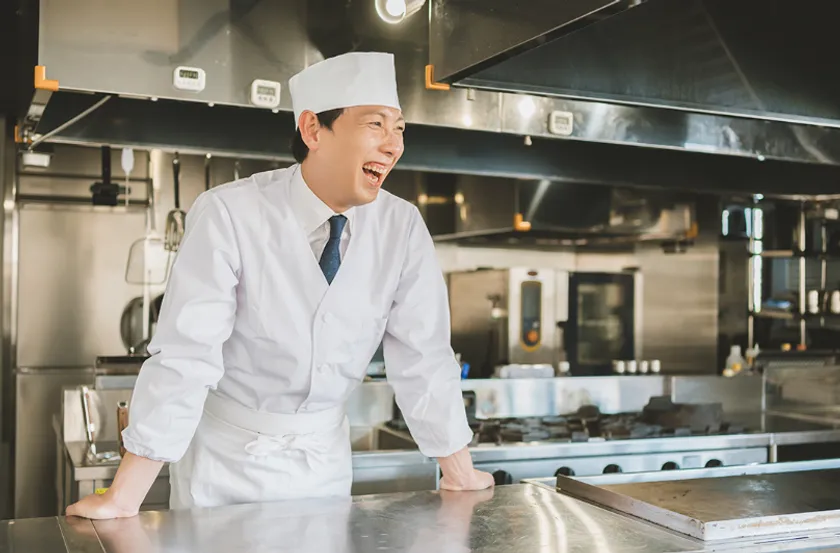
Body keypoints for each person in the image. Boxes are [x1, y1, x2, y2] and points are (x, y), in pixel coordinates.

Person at [66, 51, 493, 519]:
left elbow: (423, 355)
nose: (394, 145)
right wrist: (124, 497)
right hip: (226, 468)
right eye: (376, 124)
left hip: (325, 466)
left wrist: (458, 470)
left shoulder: (402, 225)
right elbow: (188, 354)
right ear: (313, 130)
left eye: (400, 128)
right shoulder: (230, 213)